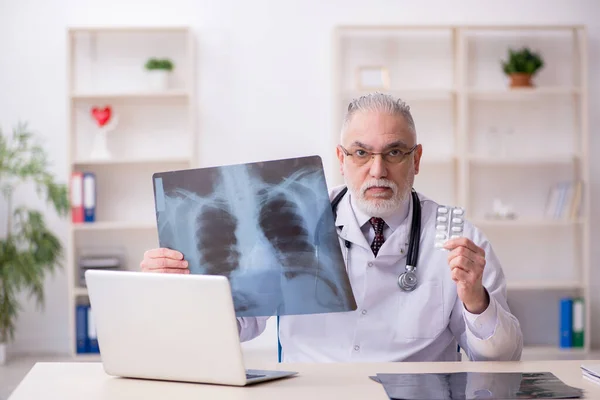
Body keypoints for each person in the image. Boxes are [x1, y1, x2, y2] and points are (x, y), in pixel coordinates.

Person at [140, 92, 523, 363]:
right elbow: (237, 326)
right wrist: (183, 288)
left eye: (393, 152)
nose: (377, 170)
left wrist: (476, 300)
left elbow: (503, 357)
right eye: (361, 153)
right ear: (341, 158)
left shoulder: (459, 240)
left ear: (416, 159)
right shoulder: (284, 218)